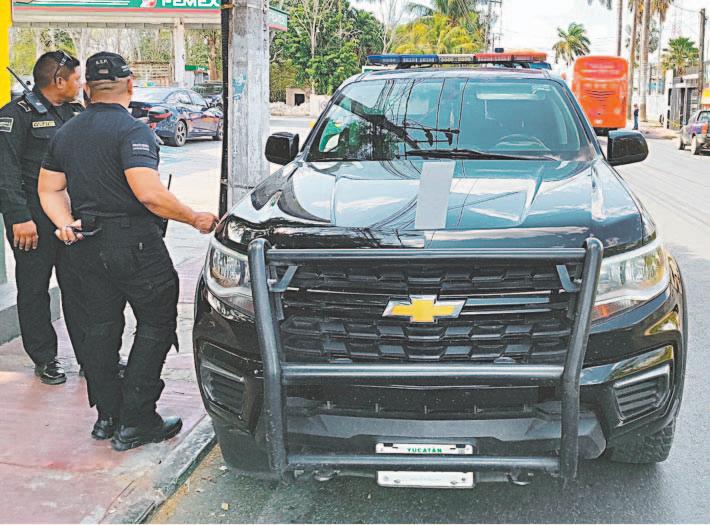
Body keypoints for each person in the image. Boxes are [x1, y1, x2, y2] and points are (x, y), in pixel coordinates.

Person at [38, 52, 217, 448]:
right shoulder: (133, 131)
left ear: (87, 89)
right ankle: (137, 420)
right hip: (134, 246)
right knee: (155, 325)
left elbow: (48, 189)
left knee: (100, 330)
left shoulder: (67, 131)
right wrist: (194, 218)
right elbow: (149, 193)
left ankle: (108, 417)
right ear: (130, 85)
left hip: (85, 247)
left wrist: (64, 223)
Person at [0, 51, 87, 385]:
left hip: (71, 216)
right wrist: (19, 217)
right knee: (34, 288)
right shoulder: (15, 115)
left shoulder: (76, 112)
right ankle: (45, 358)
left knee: (81, 287)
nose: (80, 83)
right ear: (59, 81)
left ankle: (91, 357)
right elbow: (5, 172)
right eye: (76, 78)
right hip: (32, 219)